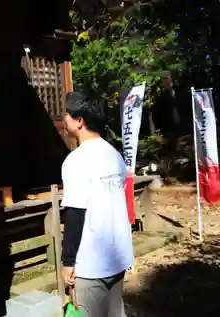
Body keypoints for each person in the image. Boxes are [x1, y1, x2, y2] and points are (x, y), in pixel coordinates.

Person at [61, 88, 134, 317]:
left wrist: (69, 261)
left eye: (67, 114)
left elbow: (75, 214)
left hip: (90, 264)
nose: (64, 118)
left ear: (79, 121)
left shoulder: (75, 161)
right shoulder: (115, 154)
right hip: (118, 256)